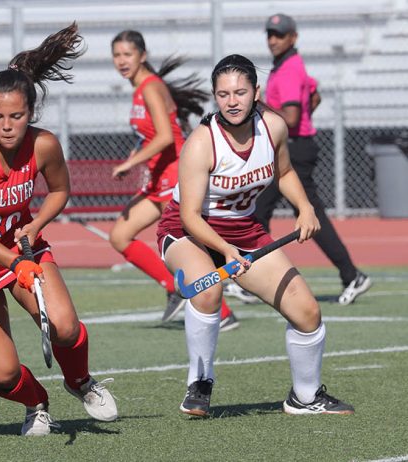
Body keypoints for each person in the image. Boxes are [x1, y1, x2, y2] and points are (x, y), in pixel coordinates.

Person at [0, 23, 117, 436]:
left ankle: (81, 382)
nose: (6, 125)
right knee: (3, 375)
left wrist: (35, 225)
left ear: (30, 113)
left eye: (16, 116)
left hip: (21, 248)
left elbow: (60, 191)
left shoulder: (44, 145)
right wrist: (16, 263)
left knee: (65, 327)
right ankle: (36, 403)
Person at [156, 54, 354, 417]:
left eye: (240, 92)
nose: (232, 101)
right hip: (188, 232)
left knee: (307, 312)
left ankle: (305, 397)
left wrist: (305, 207)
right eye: (223, 94)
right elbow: (189, 216)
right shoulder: (202, 142)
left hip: (244, 231)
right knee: (207, 289)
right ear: (215, 97)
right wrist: (225, 250)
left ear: (256, 92)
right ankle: (199, 382)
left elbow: (285, 172)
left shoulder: (273, 126)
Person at [110, 29, 239, 331]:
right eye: (116, 55)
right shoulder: (141, 88)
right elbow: (151, 134)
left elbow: (167, 137)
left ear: (142, 56)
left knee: (185, 246)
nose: (121, 61)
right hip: (160, 178)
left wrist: (130, 163)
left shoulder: (151, 87)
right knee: (120, 236)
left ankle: (221, 312)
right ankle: (175, 288)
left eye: (128, 54)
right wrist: (137, 153)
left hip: (176, 175)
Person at [255, 13, 372, 305]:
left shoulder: (289, 68)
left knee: (265, 214)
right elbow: (314, 96)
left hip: (292, 151)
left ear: (293, 37)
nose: (273, 40)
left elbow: (292, 117)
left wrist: (258, 107)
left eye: (279, 35)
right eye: (270, 34)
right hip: (295, 147)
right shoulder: (289, 65)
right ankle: (350, 275)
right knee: (281, 213)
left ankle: (256, 278)